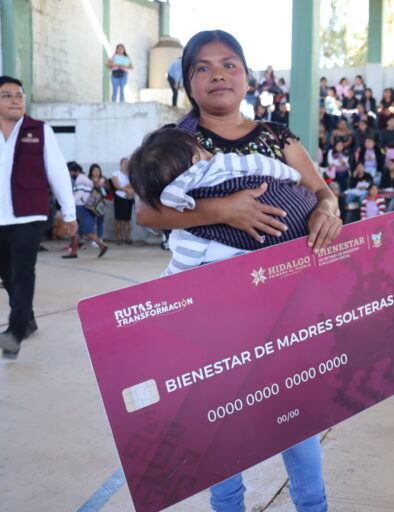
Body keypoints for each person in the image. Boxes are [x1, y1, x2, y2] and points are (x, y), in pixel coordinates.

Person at [134, 30, 340, 512]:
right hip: (212, 307)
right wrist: (223, 211)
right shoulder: (177, 142)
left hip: (286, 299)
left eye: (229, 63)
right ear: (189, 82)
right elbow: (146, 214)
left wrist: (323, 211)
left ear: (247, 75)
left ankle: (314, 504)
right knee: (222, 413)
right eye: (202, 67)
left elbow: (324, 192)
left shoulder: (276, 137)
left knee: (296, 407)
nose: (218, 74)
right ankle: (227, 505)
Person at [129, 128, 320, 275]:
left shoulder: (185, 205)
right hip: (299, 223)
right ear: (196, 157)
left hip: (255, 259)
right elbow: (263, 164)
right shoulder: (224, 161)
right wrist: (291, 178)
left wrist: (168, 280)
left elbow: (186, 260)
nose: (218, 76)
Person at [0, 76, 78, 359]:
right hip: (0, 218)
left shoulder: (40, 131)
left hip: (29, 215)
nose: (15, 100)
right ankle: (29, 319)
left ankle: (15, 332)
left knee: (22, 272)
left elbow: (58, 172)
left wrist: (69, 212)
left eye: (19, 95)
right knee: (7, 275)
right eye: (7, 95)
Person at [63, 162, 109, 259]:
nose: (69, 173)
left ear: (75, 171)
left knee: (86, 231)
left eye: (70, 171)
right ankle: (73, 252)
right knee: (77, 231)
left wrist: (70, 202)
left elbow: (80, 193)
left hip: (82, 207)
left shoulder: (80, 179)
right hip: (83, 207)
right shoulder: (85, 178)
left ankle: (102, 246)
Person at [111, 157, 135, 245]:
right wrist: (127, 190)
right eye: (124, 163)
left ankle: (127, 238)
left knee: (127, 220)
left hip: (129, 198)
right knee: (118, 219)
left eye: (127, 163)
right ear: (120, 164)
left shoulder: (131, 175)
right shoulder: (116, 173)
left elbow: (135, 185)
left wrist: (131, 192)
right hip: (119, 197)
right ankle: (119, 238)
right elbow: (116, 185)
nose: (126, 165)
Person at [88, 164, 109, 241]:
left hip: (101, 202)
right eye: (94, 171)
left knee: (100, 221)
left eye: (98, 171)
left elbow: (108, 191)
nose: (96, 172)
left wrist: (104, 186)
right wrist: (95, 184)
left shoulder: (103, 179)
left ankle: (100, 238)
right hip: (91, 202)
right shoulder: (88, 180)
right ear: (91, 172)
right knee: (92, 221)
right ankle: (92, 239)